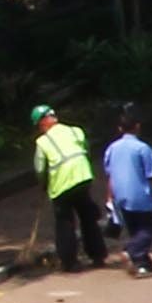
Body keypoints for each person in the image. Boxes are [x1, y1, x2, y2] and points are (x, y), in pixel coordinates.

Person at [31, 103, 104, 270]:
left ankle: (70, 262)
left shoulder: (43, 141)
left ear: (42, 123)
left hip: (62, 184)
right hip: (83, 176)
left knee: (65, 222)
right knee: (87, 217)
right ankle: (98, 255)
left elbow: (40, 168)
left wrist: (43, 184)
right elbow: (86, 150)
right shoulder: (75, 130)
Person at [100, 106, 152, 276]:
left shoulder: (112, 148)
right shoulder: (142, 148)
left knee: (135, 230)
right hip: (140, 196)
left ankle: (143, 264)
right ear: (137, 127)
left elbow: (110, 175)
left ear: (120, 129)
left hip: (121, 196)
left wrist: (109, 197)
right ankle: (131, 251)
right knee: (147, 231)